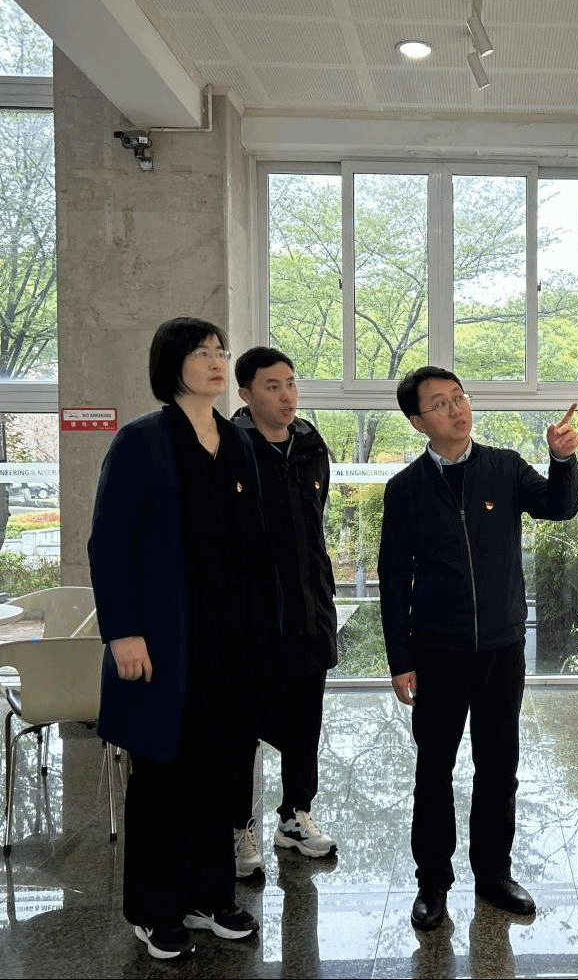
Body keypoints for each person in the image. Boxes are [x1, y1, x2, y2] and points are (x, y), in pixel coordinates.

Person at [88, 317, 272, 960]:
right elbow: (109, 544)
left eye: (221, 351)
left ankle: (209, 896)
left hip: (229, 638)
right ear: (172, 365)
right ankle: (154, 907)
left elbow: (255, 544)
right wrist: (124, 633)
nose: (217, 361)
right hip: (163, 640)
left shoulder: (236, 440)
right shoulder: (141, 441)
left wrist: (264, 628)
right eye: (202, 353)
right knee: (164, 774)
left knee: (221, 771)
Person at [378, 366, 578, 932]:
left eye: (459, 397)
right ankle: (432, 882)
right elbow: (393, 580)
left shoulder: (505, 468)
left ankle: (493, 874)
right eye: (440, 404)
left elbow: (559, 506)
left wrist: (561, 460)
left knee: (498, 767)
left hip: (500, 650)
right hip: (436, 652)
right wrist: (400, 660)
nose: (456, 410)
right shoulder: (406, 489)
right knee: (434, 771)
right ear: (418, 422)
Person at [229, 347, 339, 878]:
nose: (286, 395)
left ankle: (295, 815)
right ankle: (236, 826)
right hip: (249, 617)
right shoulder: (229, 448)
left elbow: (313, 524)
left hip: (309, 609)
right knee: (241, 726)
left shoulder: (312, 445)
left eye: (291, 383)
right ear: (245, 394)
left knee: (305, 723)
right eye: (272, 386)